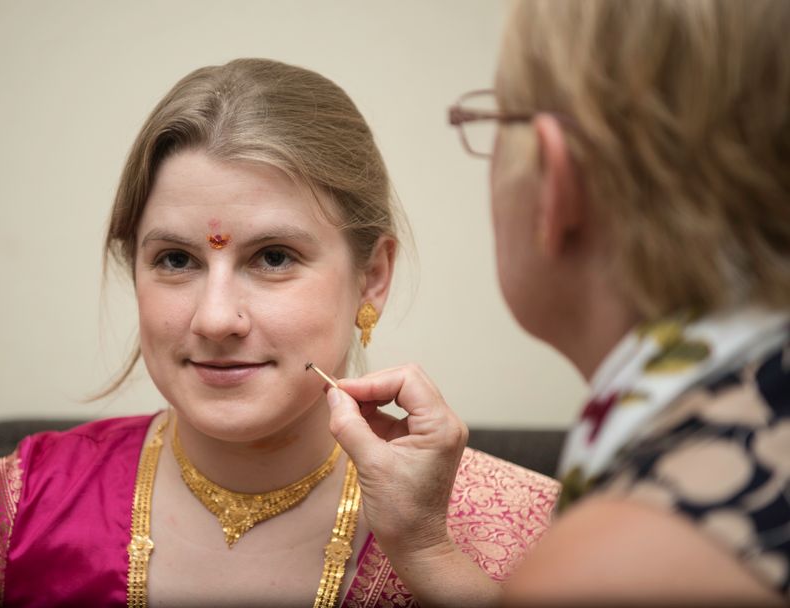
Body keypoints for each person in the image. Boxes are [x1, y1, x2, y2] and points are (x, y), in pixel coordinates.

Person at [0, 58, 558, 607]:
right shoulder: (22, 509)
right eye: (177, 260)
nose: (215, 318)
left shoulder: (531, 531)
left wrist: (428, 559)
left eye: (274, 257)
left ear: (373, 277)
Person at [326, 0, 790, 606]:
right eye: (175, 259)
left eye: (494, 124)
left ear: (554, 178)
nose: (219, 317)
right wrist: (426, 549)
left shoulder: (630, 559)